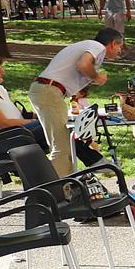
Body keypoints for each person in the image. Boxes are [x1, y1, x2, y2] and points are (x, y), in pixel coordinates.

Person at [29, 28, 125, 177]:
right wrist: (97, 77)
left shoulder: (87, 45)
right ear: (113, 43)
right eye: (120, 46)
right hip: (49, 91)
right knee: (62, 148)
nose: (119, 51)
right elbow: (83, 65)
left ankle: (62, 188)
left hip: (48, 90)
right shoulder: (97, 46)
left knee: (62, 145)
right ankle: (59, 191)